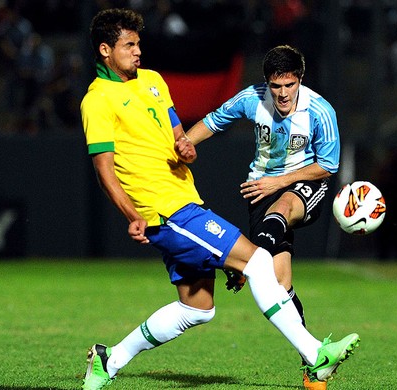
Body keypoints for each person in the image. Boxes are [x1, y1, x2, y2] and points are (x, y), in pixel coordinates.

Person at [79, 9, 359, 390]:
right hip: (166, 211)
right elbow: (104, 168)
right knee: (259, 262)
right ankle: (315, 355)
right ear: (105, 50)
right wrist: (132, 214)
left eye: (139, 43)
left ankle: (109, 360)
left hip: (183, 201)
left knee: (197, 309)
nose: (138, 51)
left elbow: (178, 136)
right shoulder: (97, 101)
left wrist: (185, 148)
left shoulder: (152, 81)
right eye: (130, 45)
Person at [186, 44, 341, 389]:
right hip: (261, 190)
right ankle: (314, 360)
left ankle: (244, 263)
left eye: (290, 85)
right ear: (267, 83)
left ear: (300, 79)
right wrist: (182, 146)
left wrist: (282, 180)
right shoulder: (251, 99)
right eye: (276, 86)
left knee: (282, 209)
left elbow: (328, 166)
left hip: (303, 185)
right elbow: (213, 121)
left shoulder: (320, 110)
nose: (283, 93)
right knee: (280, 285)